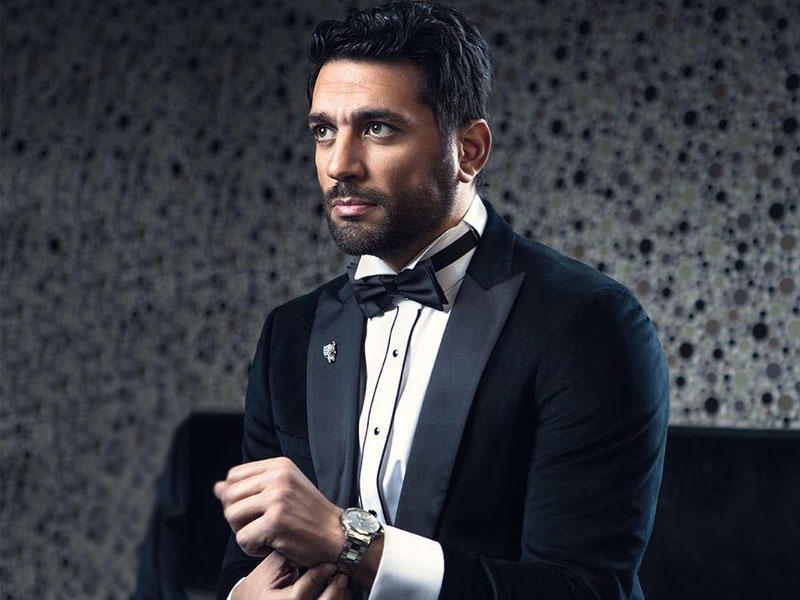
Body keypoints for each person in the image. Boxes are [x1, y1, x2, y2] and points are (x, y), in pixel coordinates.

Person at [214, 2, 670, 599]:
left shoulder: (588, 324)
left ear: (470, 150)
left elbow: (586, 591)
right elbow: (247, 559)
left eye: (378, 128)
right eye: (324, 130)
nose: (339, 164)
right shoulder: (289, 333)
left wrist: (351, 542)